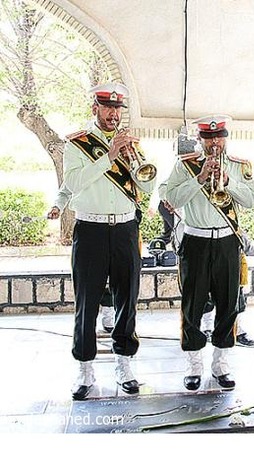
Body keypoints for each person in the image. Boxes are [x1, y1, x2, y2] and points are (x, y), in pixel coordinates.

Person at [63, 82, 156, 400]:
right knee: (87, 302)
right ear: (95, 109)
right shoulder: (78, 144)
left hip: (125, 230)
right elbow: (73, 183)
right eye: (107, 107)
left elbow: (147, 187)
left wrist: (133, 160)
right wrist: (109, 156)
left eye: (117, 109)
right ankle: (84, 369)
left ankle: (124, 365)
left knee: (127, 299)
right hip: (90, 229)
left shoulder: (131, 144)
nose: (113, 114)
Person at [162, 114, 254, 390]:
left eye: (219, 137)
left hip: (227, 242)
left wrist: (228, 182)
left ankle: (221, 364)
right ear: (200, 139)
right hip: (196, 241)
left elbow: (250, 201)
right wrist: (200, 178)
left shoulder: (240, 166)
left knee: (228, 304)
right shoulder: (185, 165)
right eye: (208, 138)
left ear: (226, 137)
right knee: (193, 304)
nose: (215, 142)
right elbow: (172, 198)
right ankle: (194, 365)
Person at [47, 183, 115, 333]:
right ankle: (86, 331)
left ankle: (110, 314)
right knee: (89, 278)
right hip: (90, 228)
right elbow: (65, 190)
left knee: (115, 276)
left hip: (120, 227)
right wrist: (57, 207)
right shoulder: (81, 170)